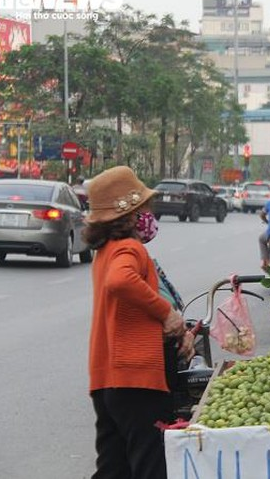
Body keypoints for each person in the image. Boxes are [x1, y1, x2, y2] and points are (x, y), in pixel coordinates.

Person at [82, 166, 194, 479]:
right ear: (129, 215)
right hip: (137, 380)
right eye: (143, 208)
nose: (148, 213)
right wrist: (167, 313)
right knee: (150, 466)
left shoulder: (105, 251)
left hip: (107, 380)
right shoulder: (129, 249)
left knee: (113, 468)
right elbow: (121, 281)